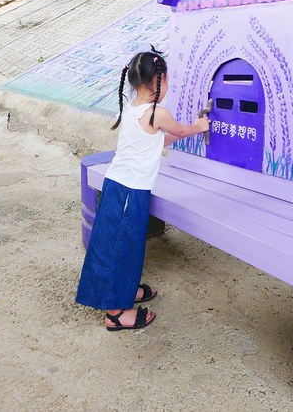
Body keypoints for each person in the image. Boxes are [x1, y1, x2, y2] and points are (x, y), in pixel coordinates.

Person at [75, 48, 210, 331]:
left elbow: (155, 142)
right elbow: (181, 130)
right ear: (158, 80)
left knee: (123, 244)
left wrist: (176, 136)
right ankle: (116, 313)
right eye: (167, 79)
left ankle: (126, 290)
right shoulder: (157, 113)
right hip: (130, 192)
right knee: (122, 248)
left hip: (118, 186)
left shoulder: (132, 109)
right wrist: (199, 126)